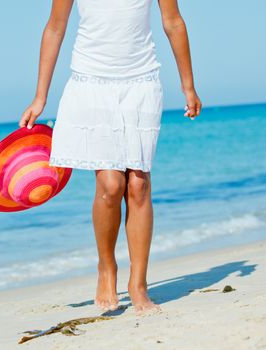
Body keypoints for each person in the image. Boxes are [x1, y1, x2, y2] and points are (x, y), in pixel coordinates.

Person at [19, 0, 202, 315]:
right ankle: (107, 267)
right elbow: (55, 27)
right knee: (110, 185)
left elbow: (173, 22)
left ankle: (138, 285)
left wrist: (189, 87)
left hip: (142, 82)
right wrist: (40, 97)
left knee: (139, 185)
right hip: (92, 84)